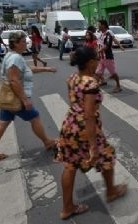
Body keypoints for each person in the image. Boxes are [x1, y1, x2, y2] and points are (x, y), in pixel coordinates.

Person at [55, 47, 127, 220]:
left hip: (69, 125)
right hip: (85, 128)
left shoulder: (73, 77)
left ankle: (67, 208)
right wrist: (93, 146)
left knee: (70, 165)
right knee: (107, 155)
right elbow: (88, 115)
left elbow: (75, 101)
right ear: (89, 62)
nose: (98, 61)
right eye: (96, 59)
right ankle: (111, 191)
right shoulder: (90, 84)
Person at [0, 31, 58, 164]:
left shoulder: (11, 55)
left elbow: (25, 70)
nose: (26, 43)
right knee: (34, 117)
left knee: (2, 123)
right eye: (24, 41)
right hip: (16, 97)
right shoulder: (16, 58)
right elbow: (14, 80)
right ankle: (47, 142)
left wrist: (46, 69)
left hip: (7, 97)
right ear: (16, 43)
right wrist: (25, 99)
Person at [95, 20, 124, 93]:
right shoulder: (101, 34)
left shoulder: (108, 34)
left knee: (113, 73)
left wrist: (120, 46)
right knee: (98, 72)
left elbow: (107, 45)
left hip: (108, 57)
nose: (98, 26)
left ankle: (118, 86)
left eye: (99, 24)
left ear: (103, 25)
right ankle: (96, 86)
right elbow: (99, 44)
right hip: (102, 58)